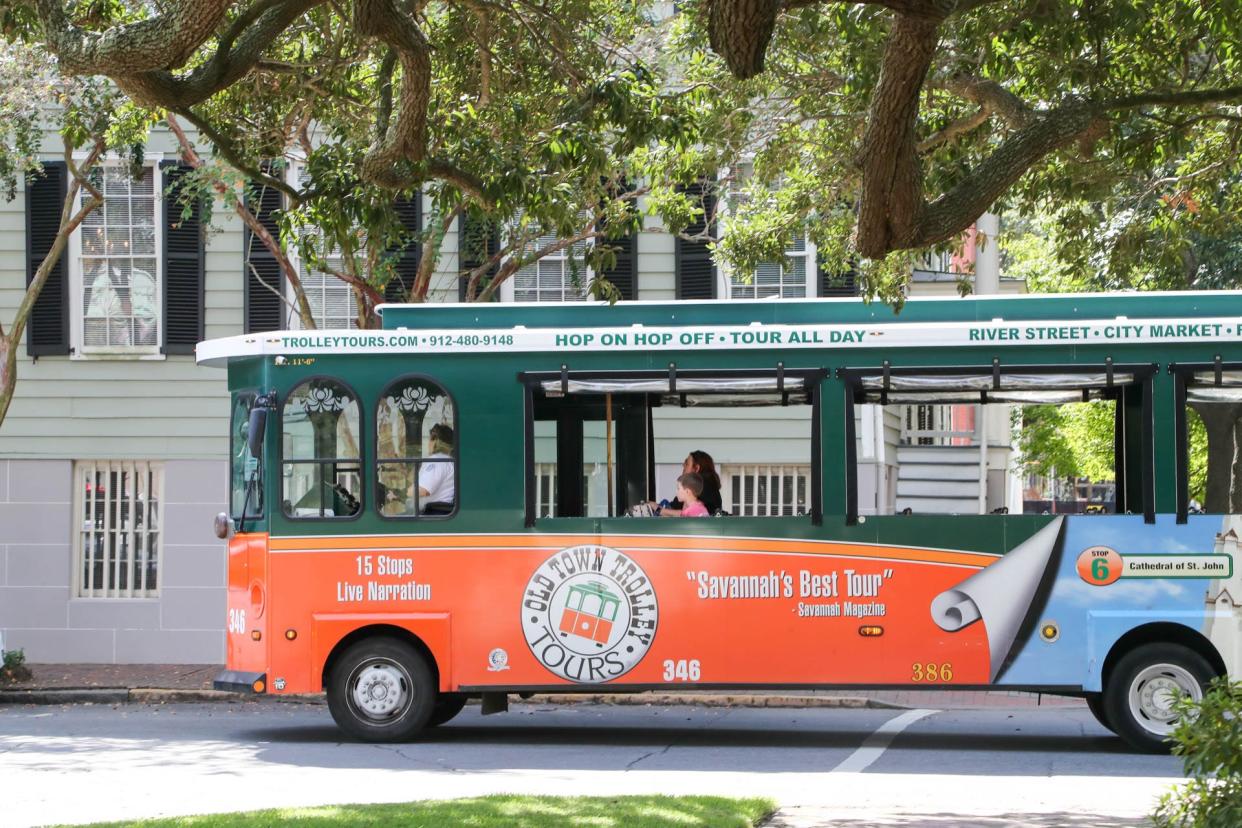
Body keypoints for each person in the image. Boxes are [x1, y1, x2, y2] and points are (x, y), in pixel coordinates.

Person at [652, 450, 722, 516]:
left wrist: (657, 509)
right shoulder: (708, 486)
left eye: (687, 464)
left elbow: (677, 511)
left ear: (697, 468)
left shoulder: (702, 485)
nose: (683, 465)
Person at [416, 423, 455, 512]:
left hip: (433, 512)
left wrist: (408, 491)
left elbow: (422, 491)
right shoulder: (448, 461)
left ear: (435, 441)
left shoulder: (437, 461)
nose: (428, 444)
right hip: (440, 510)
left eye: (430, 440)